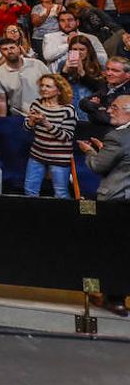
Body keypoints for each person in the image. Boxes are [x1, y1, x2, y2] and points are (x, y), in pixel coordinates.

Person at [78, 94, 130, 316]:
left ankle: (114, 298)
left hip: (116, 200)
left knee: (110, 250)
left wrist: (89, 152)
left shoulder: (118, 137)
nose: (109, 110)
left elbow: (98, 166)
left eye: (115, 107)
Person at [22, 74, 76, 198]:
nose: (44, 89)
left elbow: (66, 137)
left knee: (61, 193)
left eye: (48, 86)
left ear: (58, 90)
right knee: (30, 191)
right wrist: (31, 121)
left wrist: (46, 123)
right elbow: (26, 128)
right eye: (42, 85)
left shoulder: (68, 110)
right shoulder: (37, 104)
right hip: (37, 154)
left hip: (59, 157)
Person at [0, 38, 52, 116]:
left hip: (44, 112)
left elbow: (53, 85)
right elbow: (1, 100)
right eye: (5, 49)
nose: (9, 51)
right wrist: (3, 121)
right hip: (19, 115)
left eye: (12, 48)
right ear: (1, 52)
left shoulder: (37, 64)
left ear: (19, 49)